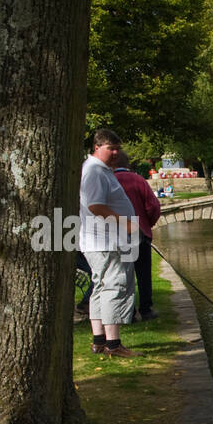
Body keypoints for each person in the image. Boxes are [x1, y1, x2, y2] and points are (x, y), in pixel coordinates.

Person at [80, 129, 140, 358]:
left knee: (101, 288)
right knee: (115, 286)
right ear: (96, 147)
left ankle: (99, 341)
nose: (115, 153)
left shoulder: (100, 170)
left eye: (117, 148)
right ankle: (114, 345)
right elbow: (95, 206)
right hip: (107, 240)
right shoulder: (94, 171)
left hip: (104, 240)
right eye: (110, 148)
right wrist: (124, 224)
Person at [112, 150, 161, 322]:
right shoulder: (138, 180)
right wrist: (148, 225)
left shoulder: (109, 181)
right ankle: (146, 309)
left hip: (117, 235)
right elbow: (153, 206)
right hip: (139, 234)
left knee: (124, 275)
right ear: (128, 164)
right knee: (143, 274)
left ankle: (129, 312)